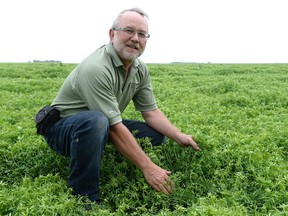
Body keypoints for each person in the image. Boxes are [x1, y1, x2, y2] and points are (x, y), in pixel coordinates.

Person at [42, 7, 199, 203]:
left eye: (142, 34)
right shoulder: (96, 68)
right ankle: (84, 198)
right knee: (96, 121)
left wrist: (178, 135)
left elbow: (150, 112)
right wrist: (149, 168)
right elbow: (114, 127)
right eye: (129, 31)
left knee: (157, 135)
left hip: (101, 125)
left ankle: (105, 151)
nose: (135, 38)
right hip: (64, 130)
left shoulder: (139, 68)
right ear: (112, 34)